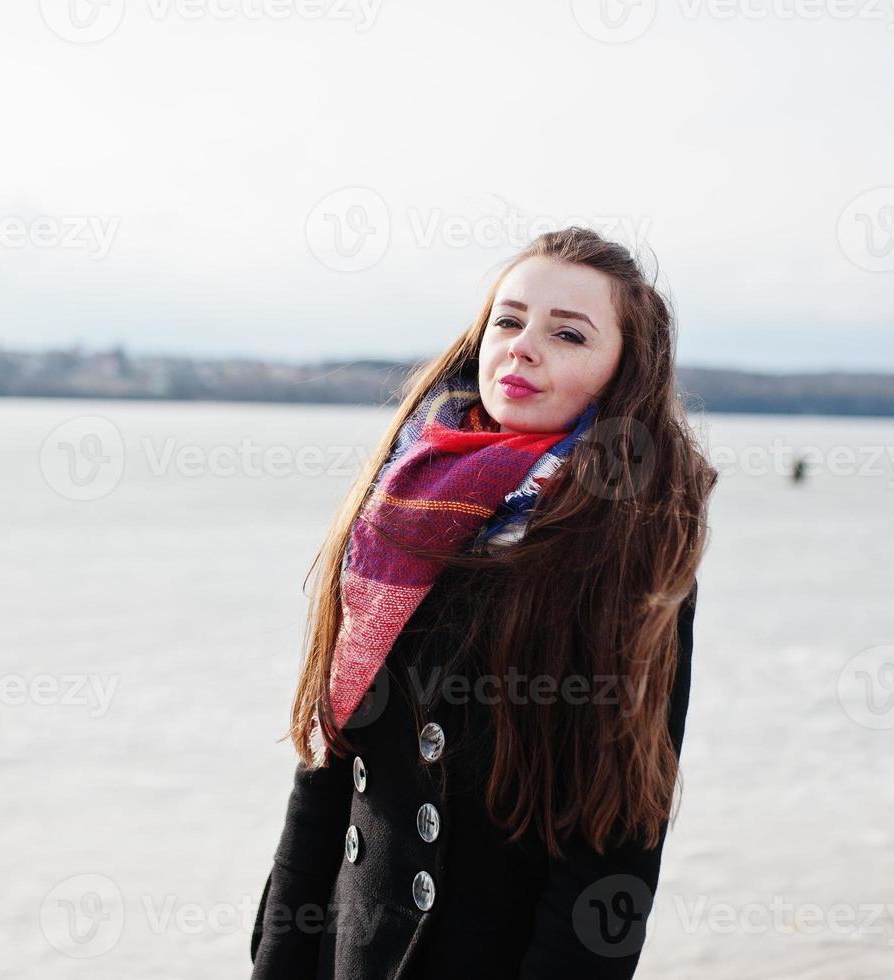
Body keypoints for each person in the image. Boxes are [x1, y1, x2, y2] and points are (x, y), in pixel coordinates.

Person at [250, 226, 717, 979]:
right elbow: (329, 762)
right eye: (509, 320)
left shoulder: (630, 544)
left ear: (623, 371)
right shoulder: (398, 504)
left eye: (567, 333)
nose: (523, 346)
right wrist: (276, 960)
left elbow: (615, 838)